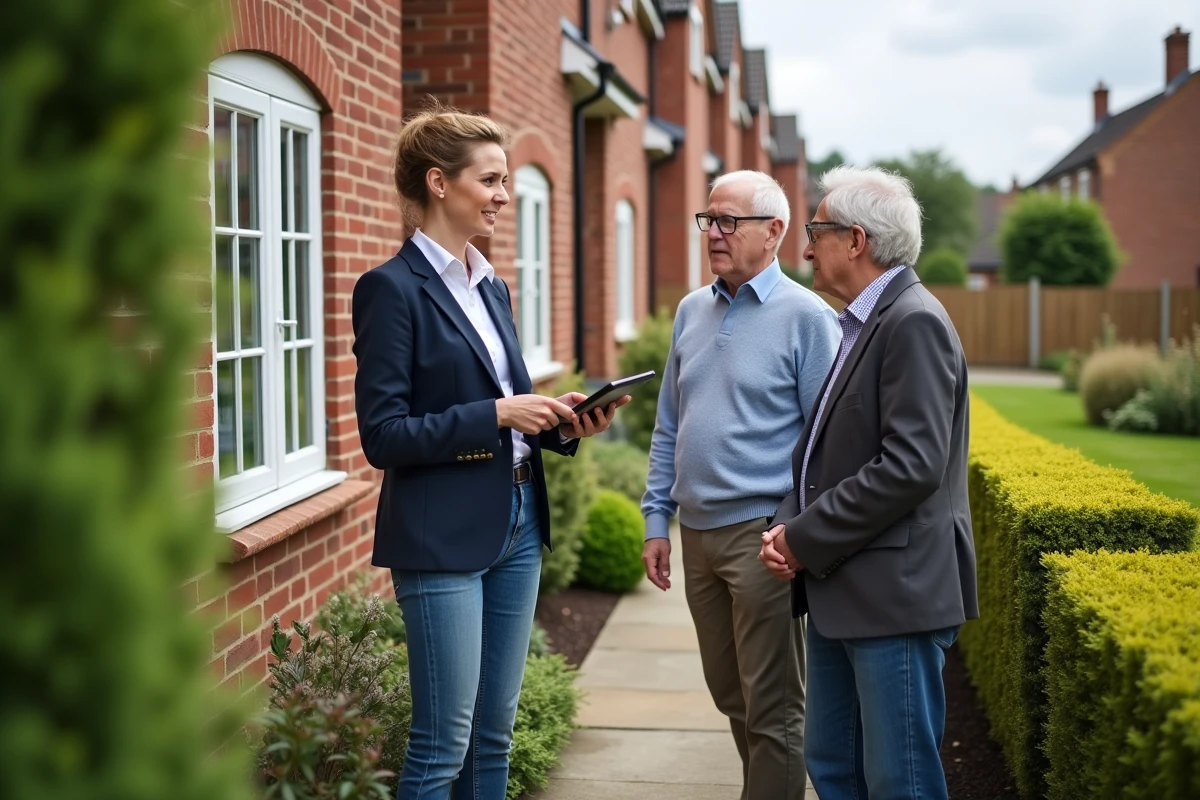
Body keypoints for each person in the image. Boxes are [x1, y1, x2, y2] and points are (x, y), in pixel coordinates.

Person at [351, 106, 627, 800]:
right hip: (439, 536)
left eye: (507, 180)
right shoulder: (390, 291)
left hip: (520, 525)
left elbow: (509, 406)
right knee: (441, 746)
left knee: (493, 736)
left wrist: (561, 425)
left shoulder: (493, 286)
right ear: (440, 182)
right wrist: (495, 413)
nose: (505, 194)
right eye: (492, 179)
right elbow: (382, 436)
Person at [759, 165, 979, 800]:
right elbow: (829, 450)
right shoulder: (863, 322)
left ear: (855, 241)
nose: (804, 248)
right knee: (833, 767)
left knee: (898, 782)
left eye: (815, 232)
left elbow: (910, 466)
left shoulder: (913, 322)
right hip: (844, 588)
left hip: (894, 598)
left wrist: (803, 537)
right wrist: (786, 523)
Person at [640, 170, 841, 800]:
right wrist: (655, 519)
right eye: (709, 220)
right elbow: (670, 424)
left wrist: (794, 528)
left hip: (762, 539)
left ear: (774, 232)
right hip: (695, 535)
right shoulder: (691, 311)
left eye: (729, 221)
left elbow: (826, 445)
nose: (714, 234)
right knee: (732, 695)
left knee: (775, 709)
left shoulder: (808, 318)